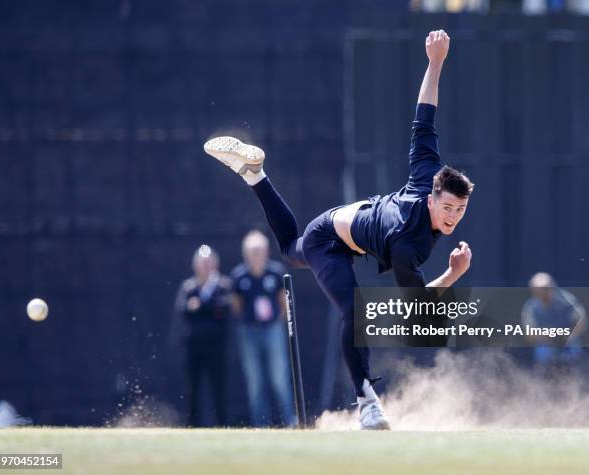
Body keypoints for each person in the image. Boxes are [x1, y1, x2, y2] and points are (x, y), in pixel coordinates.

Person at [204, 29, 474, 430]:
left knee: (291, 251)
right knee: (334, 291)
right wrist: (454, 273)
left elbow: (424, 117)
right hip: (329, 239)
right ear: (433, 199)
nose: (452, 216)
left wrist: (435, 63)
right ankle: (367, 402)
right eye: (447, 207)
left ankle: (256, 176)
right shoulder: (407, 246)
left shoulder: (426, 175)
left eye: (461, 209)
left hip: (349, 227)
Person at [231, 230, 295, 427]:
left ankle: (289, 421)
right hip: (249, 332)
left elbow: (283, 301)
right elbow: (236, 305)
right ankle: (261, 425)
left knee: (279, 379)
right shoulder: (239, 276)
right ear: (245, 253)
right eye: (252, 251)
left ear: (266, 252)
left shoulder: (276, 273)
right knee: (255, 382)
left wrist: (277, 321)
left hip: (273, 330)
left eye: (259, 250)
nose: (256, 254)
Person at [171, 244, 233, 427]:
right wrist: (207, 308)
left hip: (216, 346)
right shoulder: (188, 286)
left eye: (209, 263)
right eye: (202, 263)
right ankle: (192, 425)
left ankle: (222, 425)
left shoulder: (223, 285)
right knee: (192, 389)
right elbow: (184, 309)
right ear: (195, 265)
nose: (205, 266)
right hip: (193, 347)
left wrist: (201, 306)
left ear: (215, 264)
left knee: (218, 389)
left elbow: (224, 308)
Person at [521, 272, 587, 377]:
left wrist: (568, 336)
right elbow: (529, 333)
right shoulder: (531, 307)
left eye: (545, 290)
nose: (543, 294)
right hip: (545, 344)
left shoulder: (567, 300)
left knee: (573, 360)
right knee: (543, 357)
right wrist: (546, 338)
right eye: (538, 292)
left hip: (568, 342)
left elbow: (581, 321)